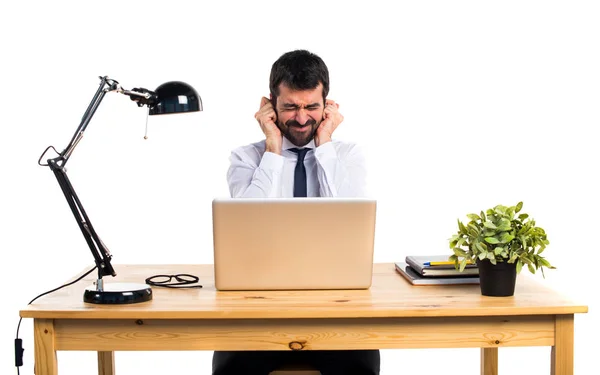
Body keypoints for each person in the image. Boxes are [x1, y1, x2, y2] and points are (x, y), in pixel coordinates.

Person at [214, 49, 379, 375]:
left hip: (337, 310)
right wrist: (272, 149)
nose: (301, 118)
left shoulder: (347, 156)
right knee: (231, 369)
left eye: (311, 107)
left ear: (328, 106)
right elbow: (247, 230)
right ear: (270, 105)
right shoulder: (246, 158)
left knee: (359, 368)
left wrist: (325, 145)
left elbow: (350, 218)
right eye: (290, 107)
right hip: (257, 311)